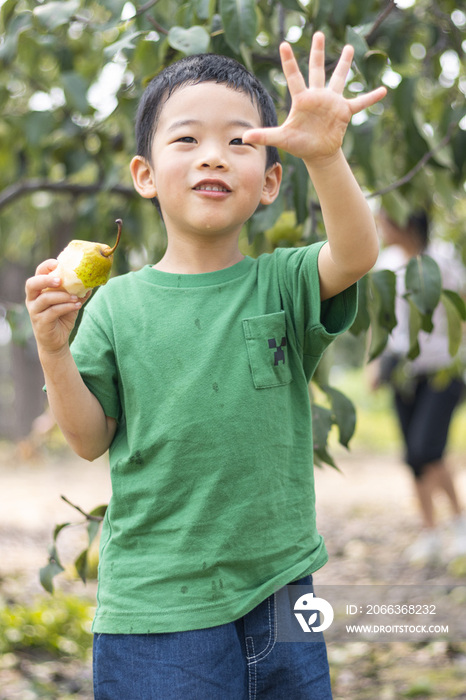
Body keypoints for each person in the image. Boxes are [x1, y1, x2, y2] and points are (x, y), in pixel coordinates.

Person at [26, 33, 386, 700]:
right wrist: (53, 349)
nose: (214, 156)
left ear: (272, 182)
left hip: (282, 594)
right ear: (145, 175)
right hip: (157, 612)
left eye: (240, 142)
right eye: (187, 140)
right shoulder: (114, 306)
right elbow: (86, 438)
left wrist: (328, 157)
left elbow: (356, 251)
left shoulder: (283, 283)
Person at [375, 210, 466, 565]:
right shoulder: (386, 263)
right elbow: (382, 320)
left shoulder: (442, 260)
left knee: (426, 449)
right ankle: (429, 533)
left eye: (385, 220)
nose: (380, 226)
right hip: (402, 370)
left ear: (405, 224)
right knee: (415, 458)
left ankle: (458, 523)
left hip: (443, 369)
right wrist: (375, 362)